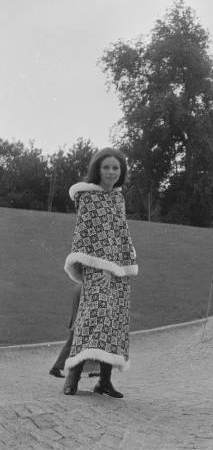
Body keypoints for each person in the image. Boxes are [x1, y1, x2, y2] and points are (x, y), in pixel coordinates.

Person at [62, 147, 138, 398]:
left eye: (116, 168)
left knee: (113, 322)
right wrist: (102, 267)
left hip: (118, 271)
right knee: (92, 319)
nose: (111, 172)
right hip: (95, 268)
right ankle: (72, 376)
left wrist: (119, 267)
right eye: (106, 167)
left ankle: (104, 381)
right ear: (98, 169)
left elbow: (119, 235)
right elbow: (86, 236)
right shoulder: (88, 197)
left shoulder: (118, 198)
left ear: (121, 171)